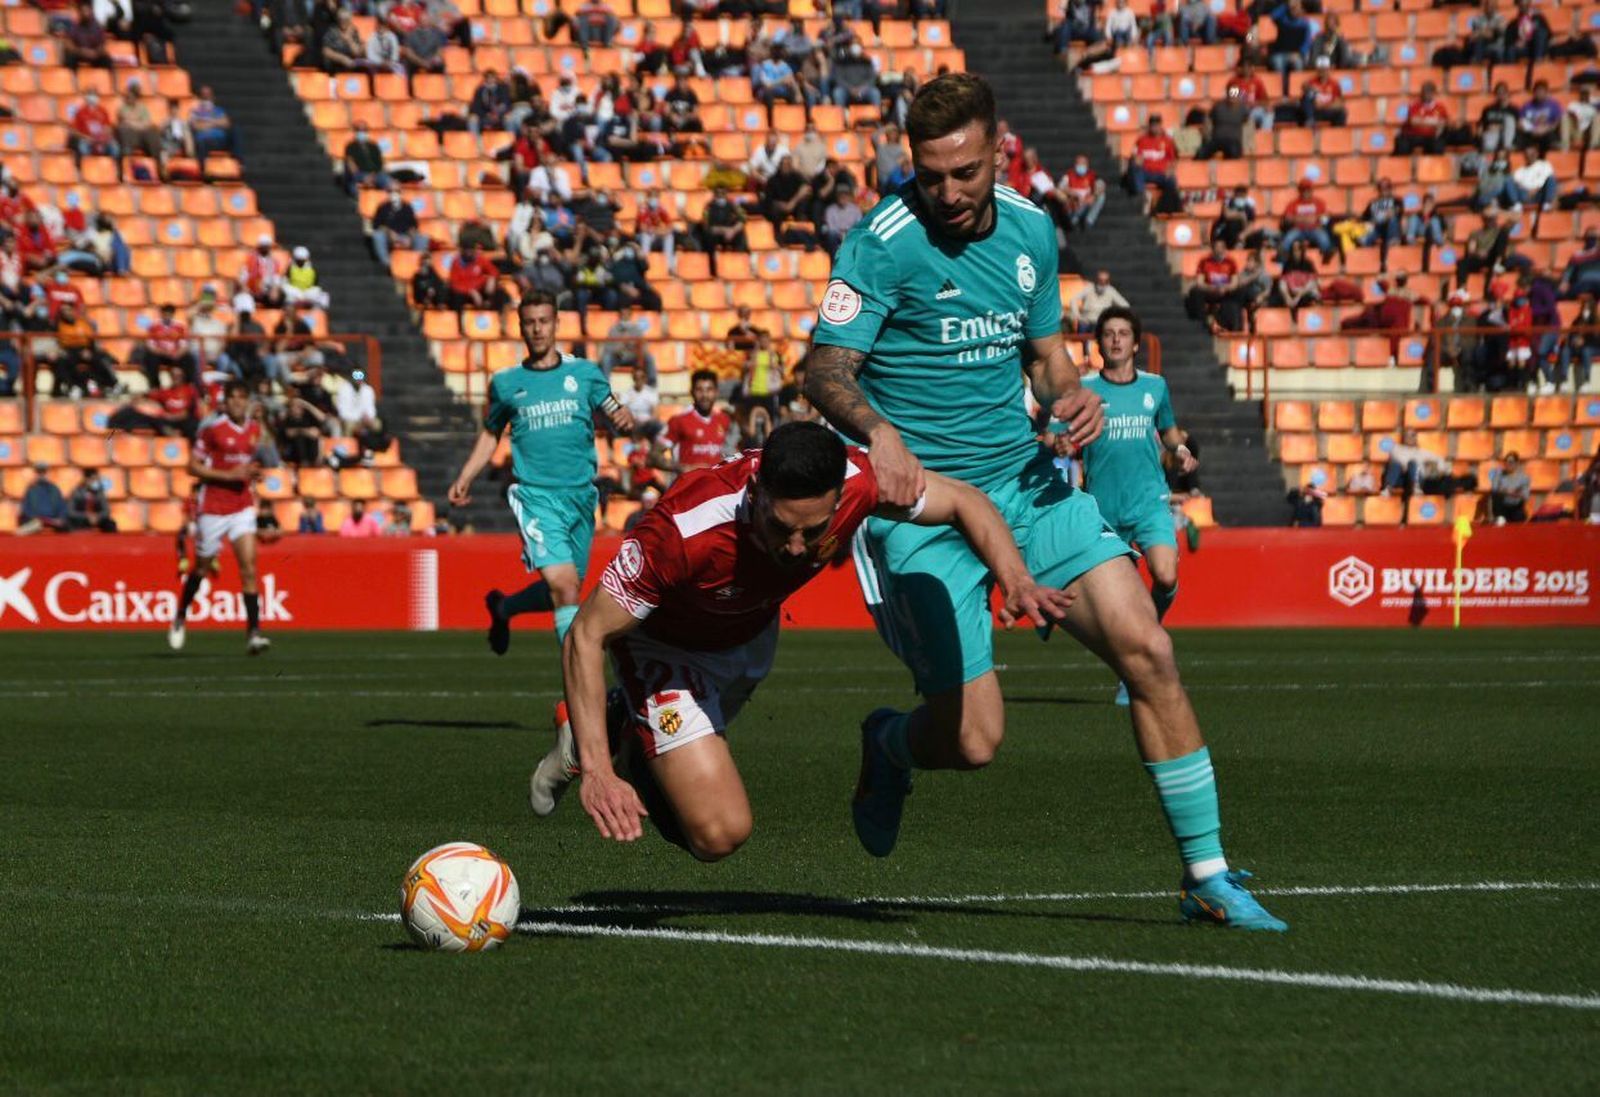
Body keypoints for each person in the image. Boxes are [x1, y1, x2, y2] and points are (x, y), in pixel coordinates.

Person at [802, 73, 1286, 930]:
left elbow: (1047, 357)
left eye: (964, 173)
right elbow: (826, 367)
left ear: (998, 153)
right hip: (921, 510)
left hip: (1027, 484)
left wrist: (1072, 394)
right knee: (975, 740)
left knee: (1151, 648)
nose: (945, 193)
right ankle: (888, 741)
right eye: (929, 173)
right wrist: (877, 431)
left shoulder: (1031, 227)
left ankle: (1206, 874)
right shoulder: (881, 240)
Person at [530, 421, 1074, 859]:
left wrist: (1016, 578)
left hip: (748, 635)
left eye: (813, 533)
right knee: (718, 834)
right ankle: (611, 737)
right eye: (780, 527)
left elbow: (964, 501)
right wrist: (600, 776)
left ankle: (614, 720)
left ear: (841, 497)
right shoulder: (681, 530)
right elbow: (586, 634)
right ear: (757, 490)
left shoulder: (861, 480)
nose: (795, 548)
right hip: (667, 651)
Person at [447, 293, 633, 658]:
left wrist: (623, 418)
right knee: (564, 588)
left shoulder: (584, 374)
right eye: (530, 322)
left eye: (543, 321)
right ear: (520, 327)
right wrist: (466, 474)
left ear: (556, 324)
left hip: (580, 496)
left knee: (567, 590)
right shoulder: (506, 383)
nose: (537, 329)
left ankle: (505, 608)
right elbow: (490, 432)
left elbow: (615, 409)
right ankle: (578, 693)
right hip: (536, 496)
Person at [1075, 308, 1197, 704]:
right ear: (1099, 343)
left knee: (1164, 574)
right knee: (1121, 610)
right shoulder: (1085, 388)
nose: (1115, 340)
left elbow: (1170, 430)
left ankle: (1150, 633)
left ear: (1135, 342)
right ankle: (1133, 671)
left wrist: (1180, 450)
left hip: (1149, 501)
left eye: (1123, 333)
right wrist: (1058, 442)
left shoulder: (1155, 387)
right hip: (1103, 509)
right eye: (1108, 334)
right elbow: (1057, 434)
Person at [168, 381, 271, 656]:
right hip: (213, 507)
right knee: (201, 568)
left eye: (242, 398)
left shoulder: (253, 429)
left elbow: (246, 465)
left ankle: (254, 633)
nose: (238, 404)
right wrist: (230, 476)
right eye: (233, 399)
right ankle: (180, 615)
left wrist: (252, 474)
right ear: (226, 403)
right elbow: (192, 466)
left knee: (248, 568)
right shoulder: (212, 429)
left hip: (242, 506)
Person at [659, 368, 731, 475]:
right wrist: (683, 468)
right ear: (691, 392)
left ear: (716, 392)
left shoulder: (724, 420)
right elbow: (653, 456)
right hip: (689, 487)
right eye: (699, 390)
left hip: (717, 488)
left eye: (709, 390)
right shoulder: (679, 421)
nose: (704, 395)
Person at [1067, 269, 1130, 334]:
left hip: (1101, 322)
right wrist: (1077, 316)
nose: (1102, 283)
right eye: (1100, 281)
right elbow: (1073, 300)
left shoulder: (1111, 290)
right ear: (1096, 280)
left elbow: (1125, 305)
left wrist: (1113, 316)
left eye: (1105, 281)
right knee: (1082, 331)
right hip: (1086, 320)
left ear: (1108, 282)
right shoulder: (1089, 288)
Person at [1394, 82, 1449, 156]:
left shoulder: (1440, 107)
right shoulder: (1415, 105)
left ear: (1433, 93)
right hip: (1414, 136)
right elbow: (1414, 121)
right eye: (1425, 92)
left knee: (1438, 144)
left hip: (1431, 136)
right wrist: (1433, 122)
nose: (1427, 95)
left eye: (1429, 92)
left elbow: (1443, 122)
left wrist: (1423, 120)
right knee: (1403, 144)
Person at [17, 463, 68, 535]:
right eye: (39, 473)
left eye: (44, 472)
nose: (41, 475)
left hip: (53, 521)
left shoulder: (55, 489)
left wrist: (60, 519)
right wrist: (37, 519)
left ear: (47, 473)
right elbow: (26, 510)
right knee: (27, 528)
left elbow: (62, 508)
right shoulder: (30, 490)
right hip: (35, 522)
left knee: (65, 526)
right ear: (35, 474)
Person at [67, 467, 116, 532]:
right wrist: (87, 516)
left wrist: (97, 516)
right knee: (68, 524)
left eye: (96, 480)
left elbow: (106, 511)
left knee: (110, 524)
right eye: (92, 480)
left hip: (97, 519)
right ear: (86, 479)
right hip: (81, 519)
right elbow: (71, 512)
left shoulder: (100, 492)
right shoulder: (76, 492)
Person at [1488, 451, 1530, 523]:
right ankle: (1500, 519)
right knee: (1496, 496)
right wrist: (1509, 491)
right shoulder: (1498, 475)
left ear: (1517, 463)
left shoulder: (1524, 478)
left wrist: (1510, 492)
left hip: (1516, 507)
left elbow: (1525, 495)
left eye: (1511, 462)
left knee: (1520, 514)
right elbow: (1494, 489)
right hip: (1502, 507)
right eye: (1506, 462)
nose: (1508, 464)